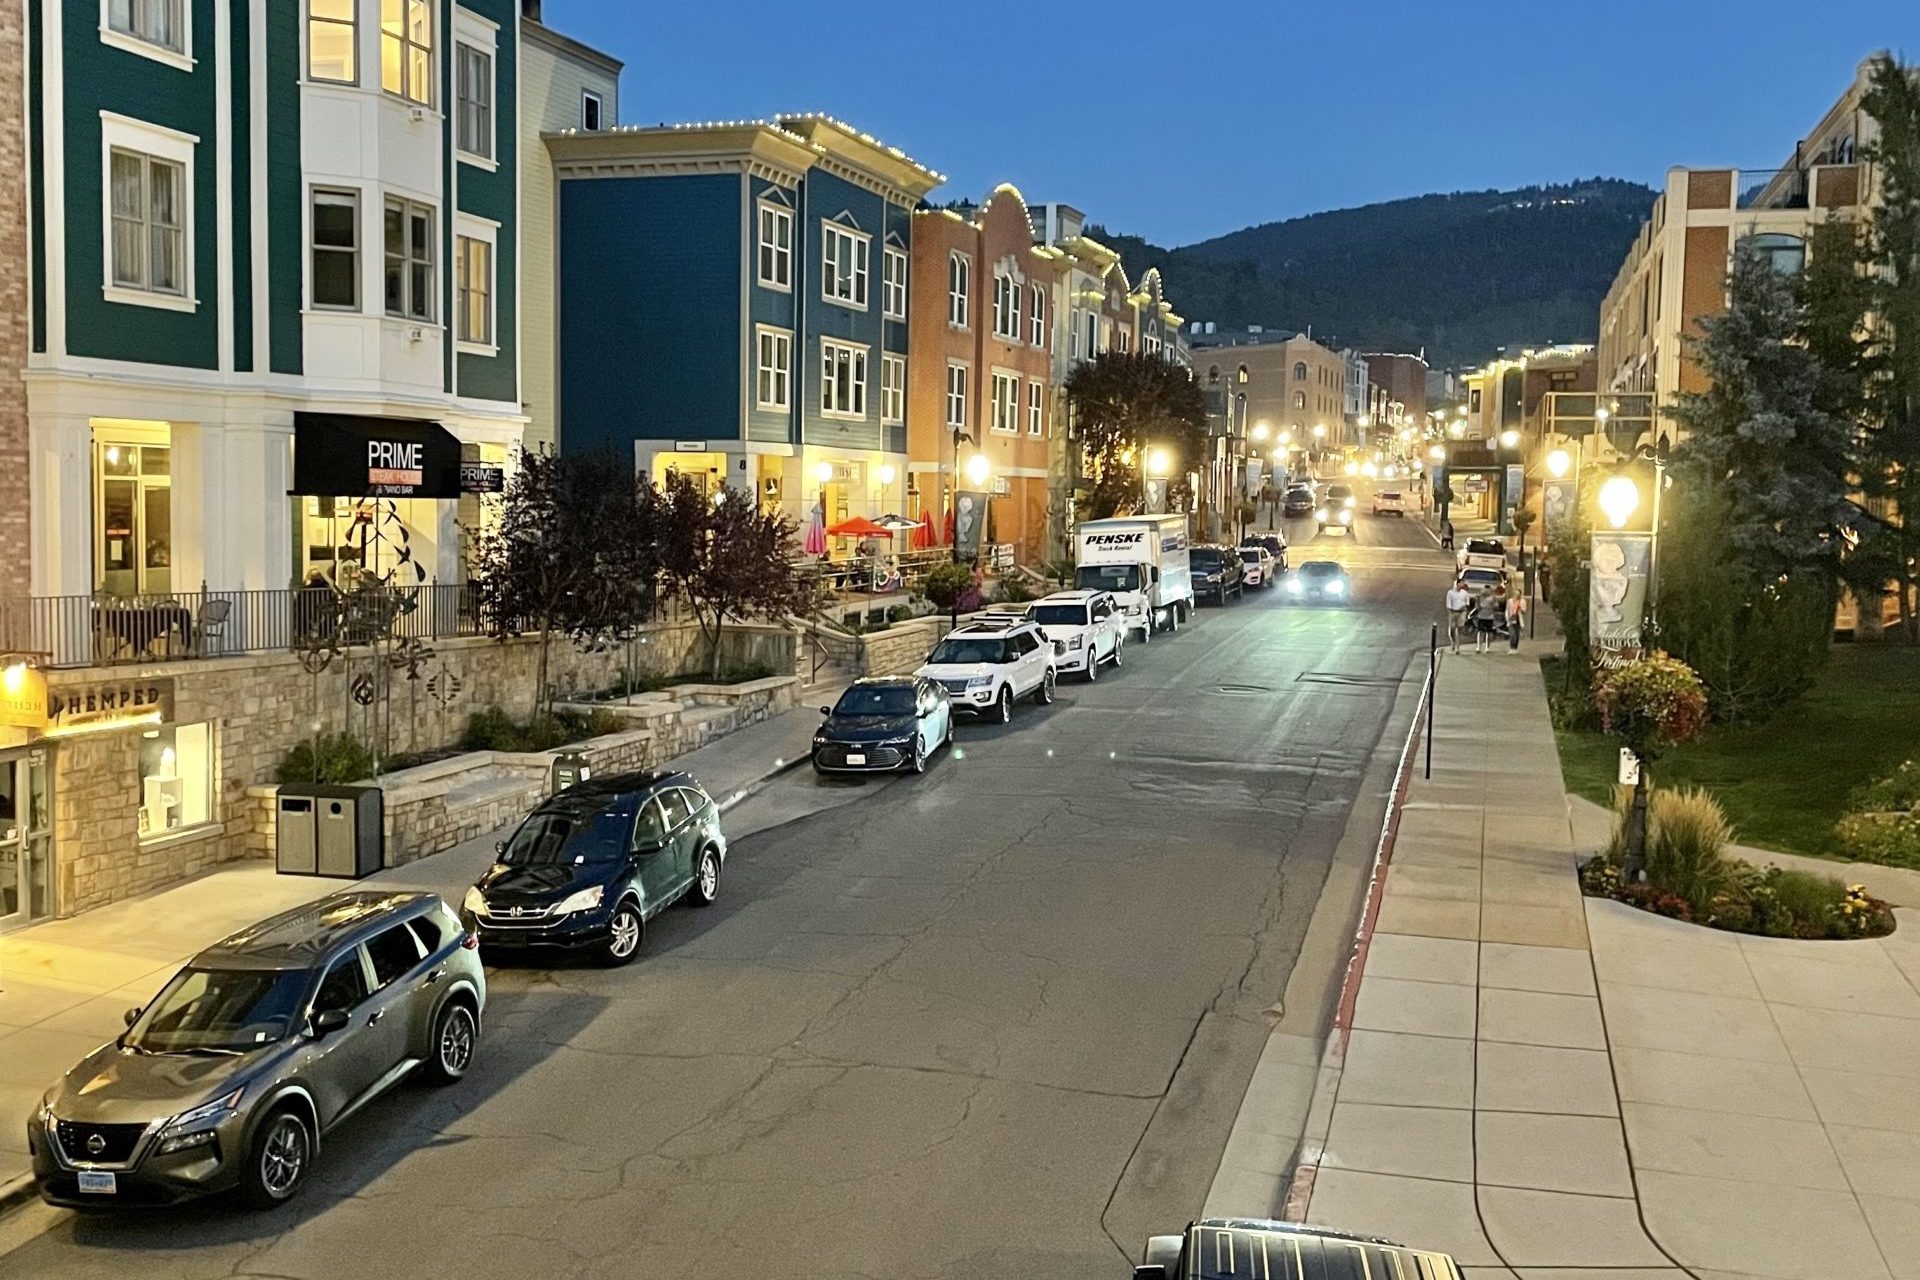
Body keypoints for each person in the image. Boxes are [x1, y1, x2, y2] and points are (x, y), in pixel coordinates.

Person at [1471, 583, 1502, 654]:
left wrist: (1492, 606)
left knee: (1489, 632)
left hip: (1489, 616)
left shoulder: (1493, 597)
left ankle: (1487, 647)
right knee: (1480, 631)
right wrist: (1478, 602)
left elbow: (1496, 606)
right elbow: (1477, 607)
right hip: (1481, 616)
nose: (1486, 591)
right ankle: (1478, 646)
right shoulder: (1480, 597)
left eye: (1488, 590)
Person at [1444, 578, 1472, 654]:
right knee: (1452, 630)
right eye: (1461, 583)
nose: (1462, 585)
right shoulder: (1450, 593)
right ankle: (1453, 642)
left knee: (1459, 630)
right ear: (1457, 584)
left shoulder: (1464, 593)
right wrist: (1450, 613)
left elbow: (1467, 603)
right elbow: (1448, 604)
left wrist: (1465, 611)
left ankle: (1457, 647)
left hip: (1461, 612)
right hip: (1453, 611)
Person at [1506, 587, 1526, 653]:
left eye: (1518, 594)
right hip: (1511, 618)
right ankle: (1511, 647)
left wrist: (1520, 607)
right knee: (1512, 634)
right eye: (1515, 593)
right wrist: (1507, 618)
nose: (1516, 595)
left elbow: (1524, 611)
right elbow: (1507, 610)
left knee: (1517, 634)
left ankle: (1515, 648)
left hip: (1518, 619)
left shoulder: (1522, 601)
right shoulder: (1510, 601)